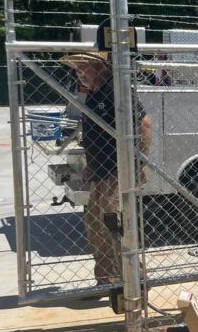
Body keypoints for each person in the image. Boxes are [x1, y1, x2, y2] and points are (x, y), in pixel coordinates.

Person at [61, 51, 152, 288]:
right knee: (95, 224)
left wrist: (140, 162)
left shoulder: (114, 89)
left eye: (82, 68)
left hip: (116, 169)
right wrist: (91, 165)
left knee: (113, 224)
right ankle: (106, 278)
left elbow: (144, 124)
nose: (78, 74)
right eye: (76, 69)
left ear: (99, 67)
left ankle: (133, 279)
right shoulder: (92, 94)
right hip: (100, 170)